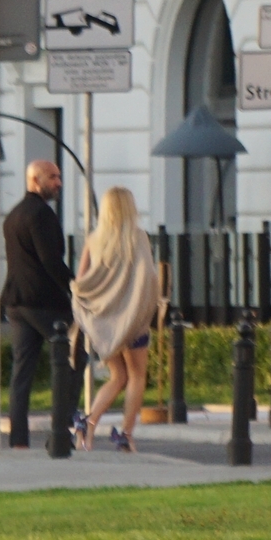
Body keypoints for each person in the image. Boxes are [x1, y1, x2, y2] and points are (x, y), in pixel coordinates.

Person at [71, 186, 162, 453]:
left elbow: (81, 281)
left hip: (104, 324)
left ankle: (88, 422)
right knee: (136, 376)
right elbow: (148, 278)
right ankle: (126, 434)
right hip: (132, 321)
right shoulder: (139, 238)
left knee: (117, 375)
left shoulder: (94, 239)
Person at [1, 158, 74, 448]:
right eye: (52, 177)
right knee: (72, 360)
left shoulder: (14, 214)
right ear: (35, 181)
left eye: (58, 177)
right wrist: (75, 286)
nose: (58, 183)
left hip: (16, 302)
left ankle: (18, 439)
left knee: (22, 372)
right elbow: (50, 260)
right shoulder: (41, 214)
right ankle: (61, 431)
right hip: (44, 302)